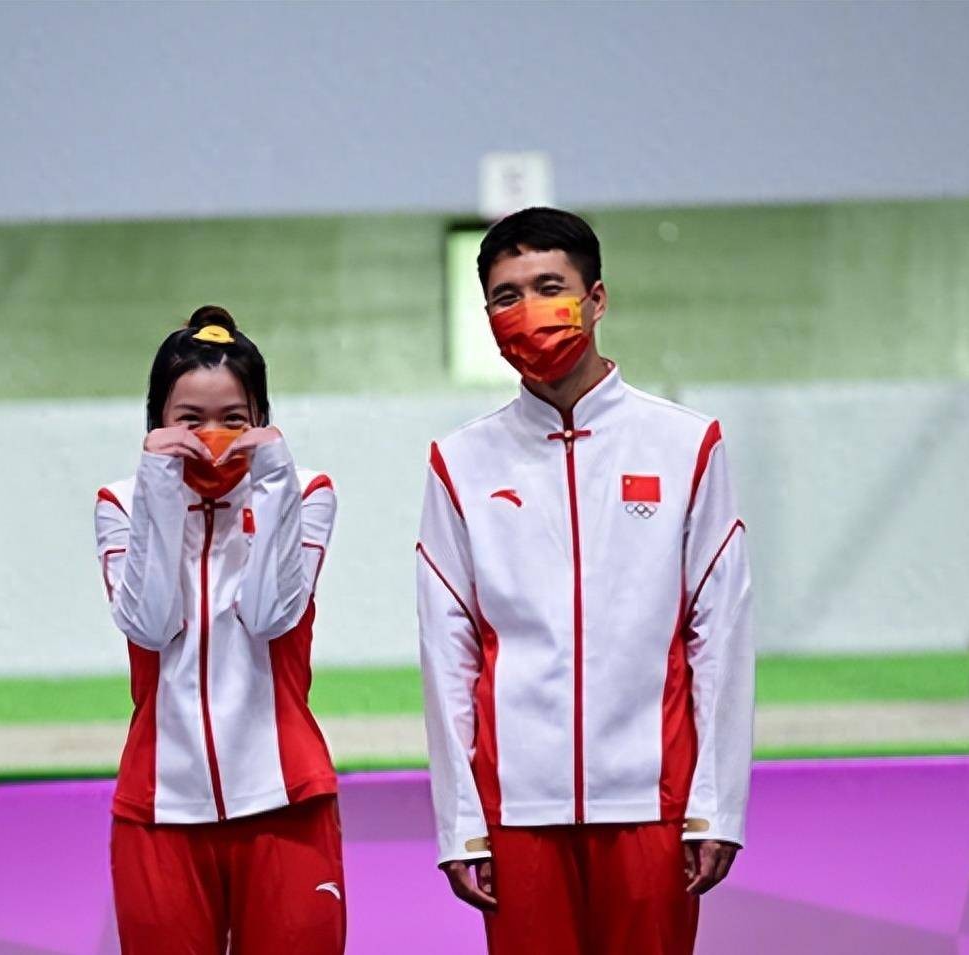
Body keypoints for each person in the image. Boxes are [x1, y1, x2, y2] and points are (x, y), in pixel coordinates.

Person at [416, 208, 754, 954]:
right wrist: (460, 821)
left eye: (550, 287)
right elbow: (446, 656)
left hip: (653, 804)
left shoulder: (687, 445)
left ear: (596, 299)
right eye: (507, 296)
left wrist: (718, 804)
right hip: (517, 812)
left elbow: (722, 638)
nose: (529, 311)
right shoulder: (459, 464)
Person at [94, 306, 345, 955]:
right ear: (158, 419)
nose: (212, 435)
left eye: (234, 417)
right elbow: (150, 625)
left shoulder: (306, 490)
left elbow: (269, 615)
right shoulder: (120, 502)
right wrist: (159, 488)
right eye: (190, 419)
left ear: (261, 418)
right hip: (160, 809)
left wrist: (273, 483)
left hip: (285, 800)